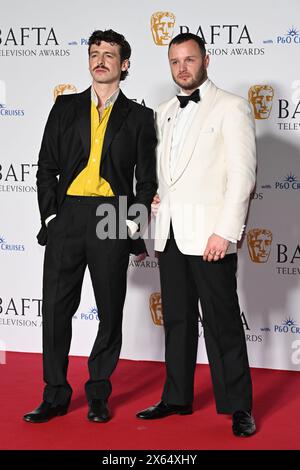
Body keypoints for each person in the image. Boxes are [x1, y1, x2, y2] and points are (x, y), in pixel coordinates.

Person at [23, 29, 157, 424]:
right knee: (56, 309)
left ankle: (98, 392)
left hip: (110, 215)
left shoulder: (140, 117)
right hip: (67, 216)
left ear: (124, 64)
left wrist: (131, 227)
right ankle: (55, 394)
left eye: (109, 54)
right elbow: (46, 166)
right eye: (95, 53)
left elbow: (145, 183)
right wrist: (51, 216)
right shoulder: (64, 107)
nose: (100, 60)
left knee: (110, 309)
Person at [136, 32, 257, 437]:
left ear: (207, 60)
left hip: (210, 237)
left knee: (222, 321)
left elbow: (242, 177)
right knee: (177, 320)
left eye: (190, 59)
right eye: (175, 61)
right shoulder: (163, 111)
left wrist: (225, 232)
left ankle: (238, 406)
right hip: (170, 233)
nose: (182, 67)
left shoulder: (232, 107)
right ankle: (177, 397)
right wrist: (154, 198)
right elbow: (164, 173)